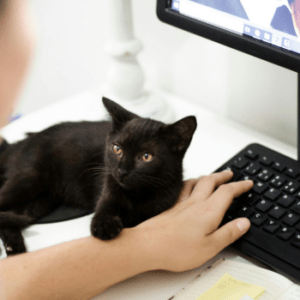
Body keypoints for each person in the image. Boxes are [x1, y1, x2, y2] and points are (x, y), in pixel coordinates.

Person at [0, 0, 253, 299]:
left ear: (179, 145)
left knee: (30, 210)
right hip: (48, 153)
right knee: (23, 188)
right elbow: (103, 221)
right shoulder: (112, 174)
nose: (121, 169)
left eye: (145, 157)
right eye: (118, 150)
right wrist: (147, 248)